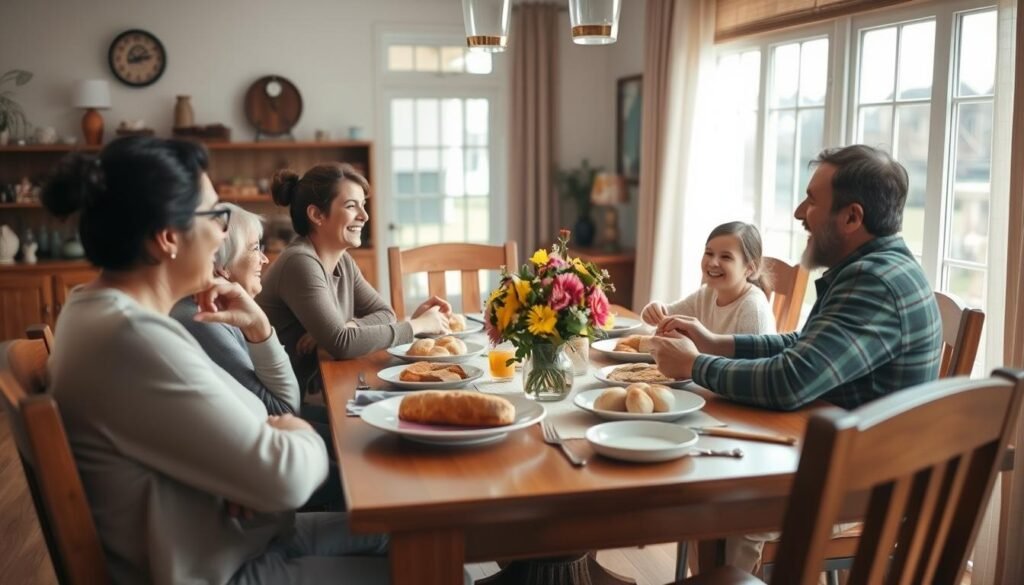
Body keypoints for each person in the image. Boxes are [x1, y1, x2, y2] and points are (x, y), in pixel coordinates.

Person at [42, 136, 387, 585]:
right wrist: (287, 436)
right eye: (216, 216)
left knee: (410, 532)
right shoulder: (133, 338)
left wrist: (251, 460)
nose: (225, 235)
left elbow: (261, 430)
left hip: (240, 537)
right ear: (167, 237)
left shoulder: (101, 313)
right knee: (424, 563)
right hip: (223, 567)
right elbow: (284, 476)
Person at [650, 144, 943, 574]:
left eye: (812, 200)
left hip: (861, 483)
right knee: (710, 476)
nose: (799, 212)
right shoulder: (877, 267)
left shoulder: (873, 282)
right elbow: (805, 344)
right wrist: (717, 343)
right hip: (835, 450)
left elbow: (790, 382)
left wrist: (694, 366)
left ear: (852, 217)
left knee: (720, 499)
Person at [256, 163, 449, 392]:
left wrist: (350, 325)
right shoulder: (300, 262)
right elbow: (342, 344)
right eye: (351, 206)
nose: (364, 216)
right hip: (287, 405)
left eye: (363, 206)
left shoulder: (343, 260)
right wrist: (418, 325)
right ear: (317, 214)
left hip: (319, 388)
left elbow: (386, 314)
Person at [640, 221, 775, 335]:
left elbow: (753, 364)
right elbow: (667, 315)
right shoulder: (706, 294)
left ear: (750, 268)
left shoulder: (753, 309)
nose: (712, 262)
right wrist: (654, 310)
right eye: (709, 253)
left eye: (726, 257)